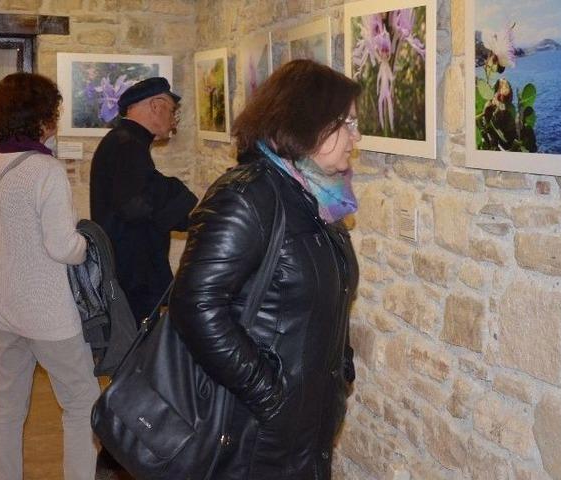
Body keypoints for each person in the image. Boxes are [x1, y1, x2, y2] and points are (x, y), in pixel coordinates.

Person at [169, 59, 362, 479]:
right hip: (252, 428)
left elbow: (330, 297)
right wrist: (271, 394)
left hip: (305, 422)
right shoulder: (248, 196)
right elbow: (194, 306)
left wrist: (339, 371)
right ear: (306, 121)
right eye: (345, 122)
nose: (355, 136)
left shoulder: (317, 197)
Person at [0, 72, 99, 480]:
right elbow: (62, 247)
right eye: (54, 113)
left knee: (7, 405)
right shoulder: (45, 170)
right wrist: (85, 242)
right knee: (81, 402)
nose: (56, 121)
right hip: (45, 309)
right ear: (42, 118)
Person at [90, 77, 198, 323]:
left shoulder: (126, 140)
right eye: (172, 111)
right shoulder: (127, 144)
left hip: (129, 267)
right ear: (156, 105)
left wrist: (165, 192)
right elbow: (133, 207)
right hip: (132, 272)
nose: (173, 122)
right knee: (135, 346)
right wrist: (175, 192)